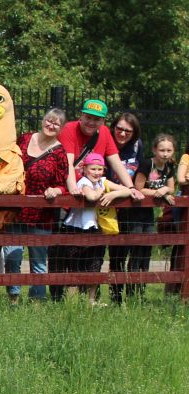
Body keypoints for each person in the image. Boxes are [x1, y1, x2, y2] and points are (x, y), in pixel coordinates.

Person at [2, 108, 68, 302]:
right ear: (43, 120)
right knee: (12, 256)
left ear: (61, 127)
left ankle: (37, 301)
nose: (51, 125)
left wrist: (55, 191)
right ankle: (13, 297)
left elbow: (62, 183)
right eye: (49, 120)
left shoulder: (60, 153)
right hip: (16, 211)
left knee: (39, 260)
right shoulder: (24, 140)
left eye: (56, 123)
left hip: (42, 214)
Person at [48, 152, 130, 302]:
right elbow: (91, 197)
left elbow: (127, 190)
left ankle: (90, 302)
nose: (97, 173)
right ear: (84, 169)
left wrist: (112, 195)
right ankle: (72, 303)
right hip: (76, 229)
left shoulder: (103, 181)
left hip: (95, 229)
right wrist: (102, 191)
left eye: (100, 169)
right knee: (74, 268)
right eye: (93, 169)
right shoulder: (83, 182)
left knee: (94, 266)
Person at [120, 133, 177, 304]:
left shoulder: (168, 166)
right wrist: (157, 193)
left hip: (149, 214)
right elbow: (138, 189)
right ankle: (130, 294)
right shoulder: (147, 164)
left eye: (169, 150)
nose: (165, 154)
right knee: (136, 252)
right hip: (136, 212)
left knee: (146, 252)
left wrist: (166, 191)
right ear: (154, 150)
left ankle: (141, 293)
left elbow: (172, 187)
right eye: (162, 150)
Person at [105, 112, 144, 302]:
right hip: (105, 204)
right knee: (109, 255)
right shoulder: (104, 142)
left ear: (134, 133)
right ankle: (111, 297)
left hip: (128, 206)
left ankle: (129, 297)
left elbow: (141, 174)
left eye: (127, 131)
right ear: (113, 127)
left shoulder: (137, 147)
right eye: (119, 129)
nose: (122, 133)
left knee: (128, 252)